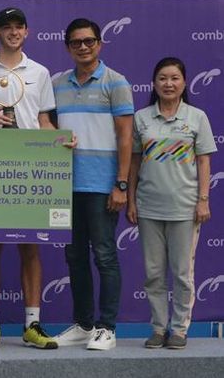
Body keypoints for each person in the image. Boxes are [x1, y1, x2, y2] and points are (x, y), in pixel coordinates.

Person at [0, 8, 68, 350]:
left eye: (18, 26)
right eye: (6, 27)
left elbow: (45, 121)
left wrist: (59, 141)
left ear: (27, 31)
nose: (13, 32)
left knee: (30, 248)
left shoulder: (40, 72)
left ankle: (32, 324)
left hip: (30, 170)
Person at [51, 18, 134, 351]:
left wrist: (122, 185)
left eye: (88, 41)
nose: (83, 47)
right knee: (75, 257)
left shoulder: (116, 82)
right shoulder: (57, 84)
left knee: (104, 256)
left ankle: (107, 327)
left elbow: (126, 137)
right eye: (75, 42)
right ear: (68, 47)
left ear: (99, 44)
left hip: (103, 186)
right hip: (65, 185)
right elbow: (48, 128)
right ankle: (84, 324)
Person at [126, 57, 216, 350]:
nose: (168, 83)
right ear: (154, 83)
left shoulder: (196, 117)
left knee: (181, 273)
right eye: (163, 78)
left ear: (184, 83)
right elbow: (134, 161)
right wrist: (131, 200)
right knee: (153, 274)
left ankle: (179, 330)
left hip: (185, 207)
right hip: (149, 207)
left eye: (174, 78)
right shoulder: (141, 118)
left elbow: (204, 161)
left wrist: (203, 200)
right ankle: (158, 328)